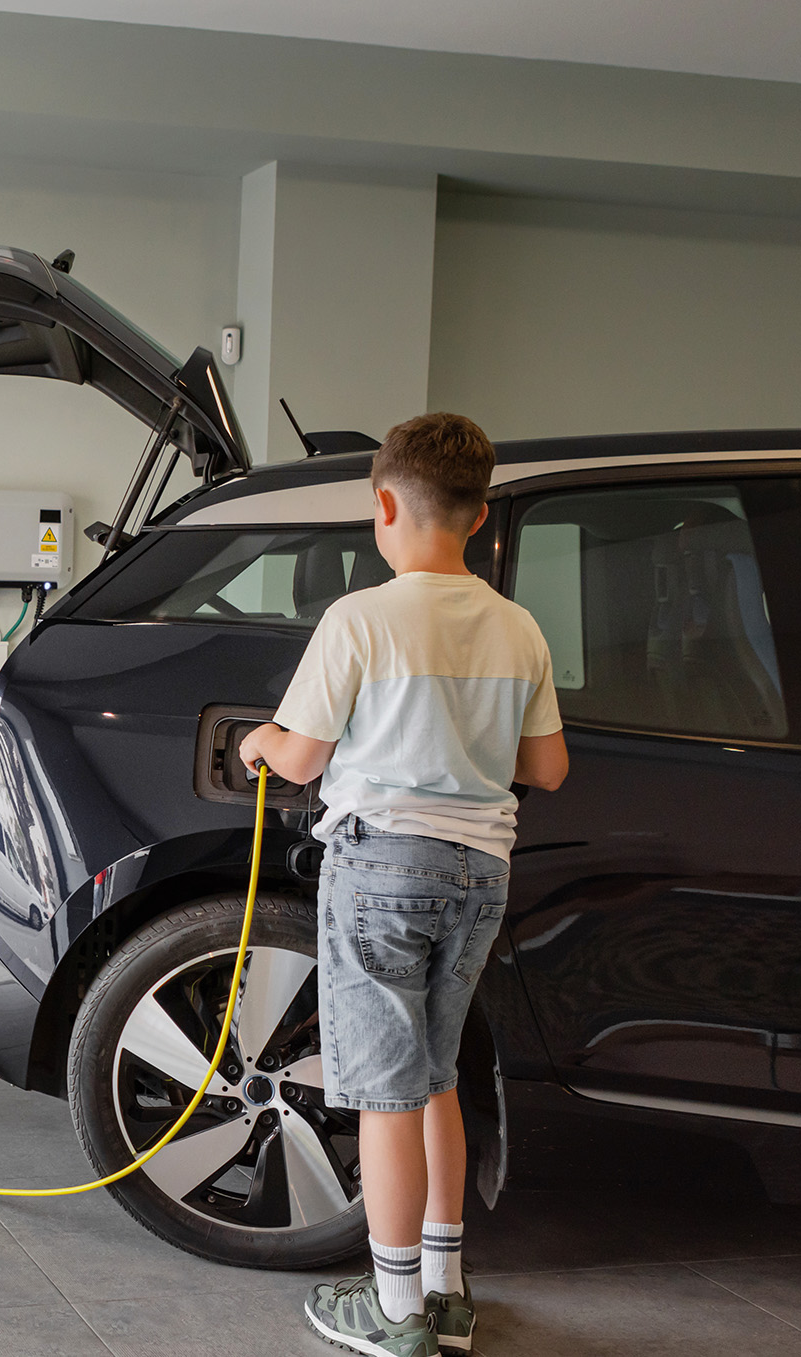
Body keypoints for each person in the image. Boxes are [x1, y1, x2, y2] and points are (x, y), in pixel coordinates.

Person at [237, 412, 568, 1357]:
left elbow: (300, 756)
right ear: (480, 514)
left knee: (384, 1092)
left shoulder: (360, 618)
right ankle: (445, 1290)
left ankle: (391, 1314)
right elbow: (548, 768)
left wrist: (261, 739)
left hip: (383, 868)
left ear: (385, 505)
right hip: (481, 873)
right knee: (434, 1078)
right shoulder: (518, 627)